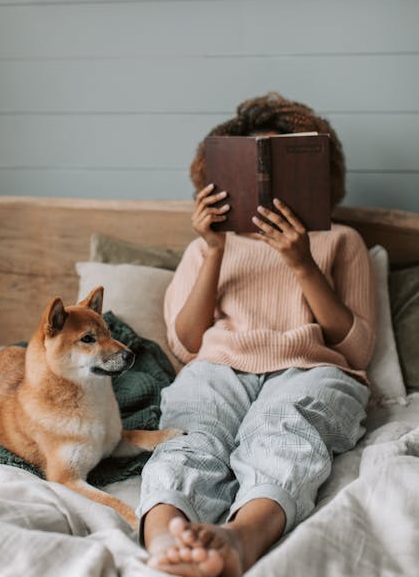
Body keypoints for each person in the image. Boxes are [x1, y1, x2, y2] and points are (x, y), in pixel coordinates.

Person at [138, 93, 376, 577]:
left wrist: (301, 261)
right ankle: (165, 538)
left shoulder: (340, 240)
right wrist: (213, 250)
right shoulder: (205, 247)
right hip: (219, 367)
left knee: (283, 431)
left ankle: (238, 539)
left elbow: (355, 348)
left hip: (309, 368)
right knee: (190, 437)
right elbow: (185, 344)